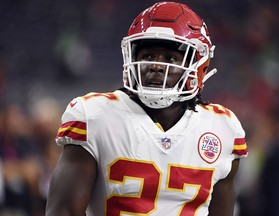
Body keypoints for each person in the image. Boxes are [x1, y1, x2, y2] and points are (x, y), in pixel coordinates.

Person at [45, 2, 248, 216]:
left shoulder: (223, 128)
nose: (156, 66)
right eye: (148, 56)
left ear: (198, 66)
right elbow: (63, 211)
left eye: (170, 58)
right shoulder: (96, 116)